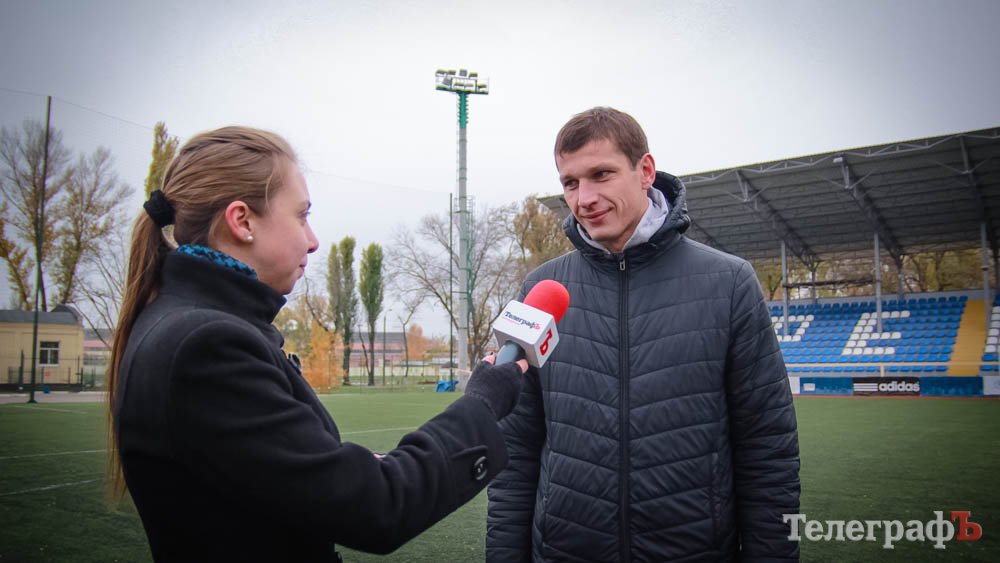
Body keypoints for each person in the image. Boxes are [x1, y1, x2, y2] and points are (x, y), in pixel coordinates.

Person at [106, 126, 527, 562]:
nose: (312, 240)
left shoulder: (184, 322)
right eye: (301, 215)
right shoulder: (207, 347)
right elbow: (378, 507)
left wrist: (351, 463)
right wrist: (482, 403)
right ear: (242, 221)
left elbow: (263, 482)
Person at [486, 108, 800, 562]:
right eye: (570, 183)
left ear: (646, 171)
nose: (584, 198)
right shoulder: (540, 290)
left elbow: (767, 450)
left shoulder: (730, 283)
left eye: (601, 175)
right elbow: (514, 450)